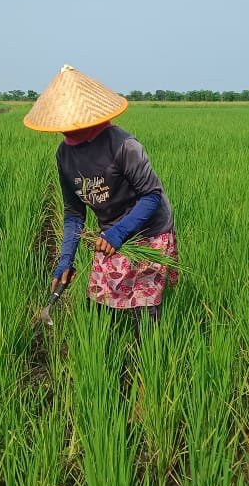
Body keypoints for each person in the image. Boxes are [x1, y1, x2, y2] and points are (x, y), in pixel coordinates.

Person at [24, 65, 177, 327]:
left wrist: (117, 233)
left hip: (148, 231)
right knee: (100, 303)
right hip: (112, 233)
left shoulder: (122, 145)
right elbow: (74, 213)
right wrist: (65, 262)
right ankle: (103, 351)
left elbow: (151, 196)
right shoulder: (64, 155)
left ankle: (149, 357)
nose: (66, 129)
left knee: (145, 308)